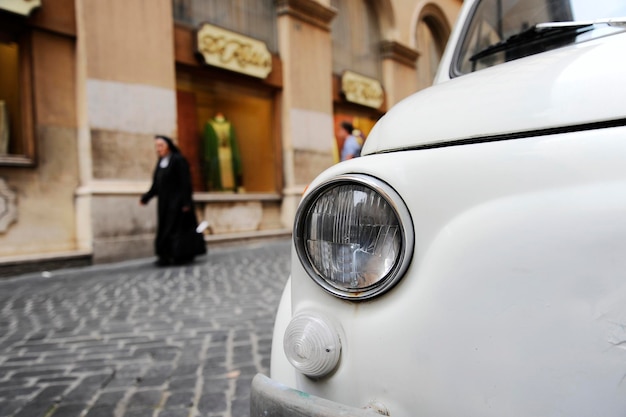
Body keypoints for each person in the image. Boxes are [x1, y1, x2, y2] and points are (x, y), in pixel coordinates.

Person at [140, 135, 206, 266]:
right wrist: (146, 197)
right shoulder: (160, 162)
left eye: (161, 146)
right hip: (164, 203)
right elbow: (156, 184)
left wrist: (186, 202)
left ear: (168, 146)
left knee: (177, 230)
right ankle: (165, 255)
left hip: (178, 203)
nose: (158, 149)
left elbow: (185, 182)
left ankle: (179, 254)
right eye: (157, 146)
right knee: (165, 228)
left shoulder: (178, 160)